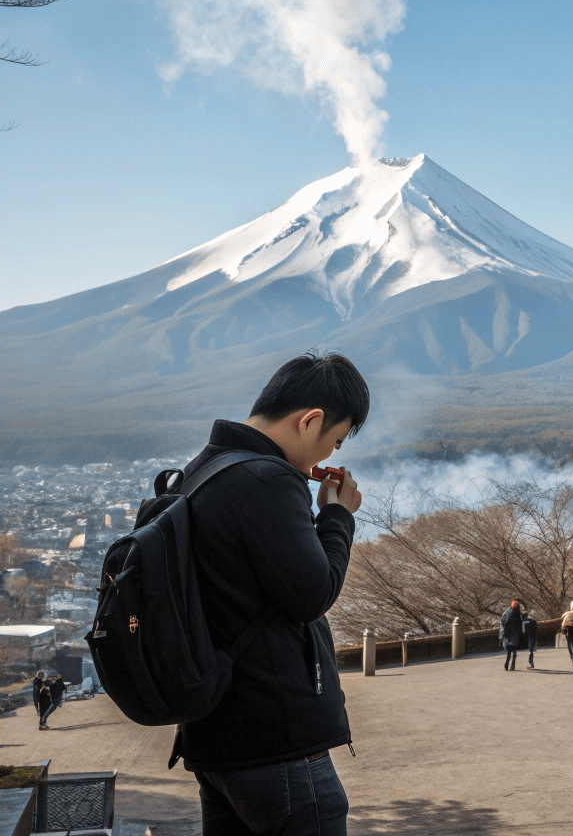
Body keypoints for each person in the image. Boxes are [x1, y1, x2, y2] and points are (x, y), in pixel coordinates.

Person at [133, 352, 369, 836]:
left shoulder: (204, 468)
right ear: (311, 421)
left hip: (215, 741)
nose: (327, 459)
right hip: (274, 739)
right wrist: (338, 516)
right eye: (334, 442)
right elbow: (312, 594)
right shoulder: (267, 479)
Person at [499, 599, 523, 671]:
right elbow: (520, 626)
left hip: (509, 636)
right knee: (513, 653)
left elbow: (504, 624)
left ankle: (507, 666)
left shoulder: (508, 614)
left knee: (509, 653)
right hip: (514, 636)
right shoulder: (518, 615)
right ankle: (512, 666)